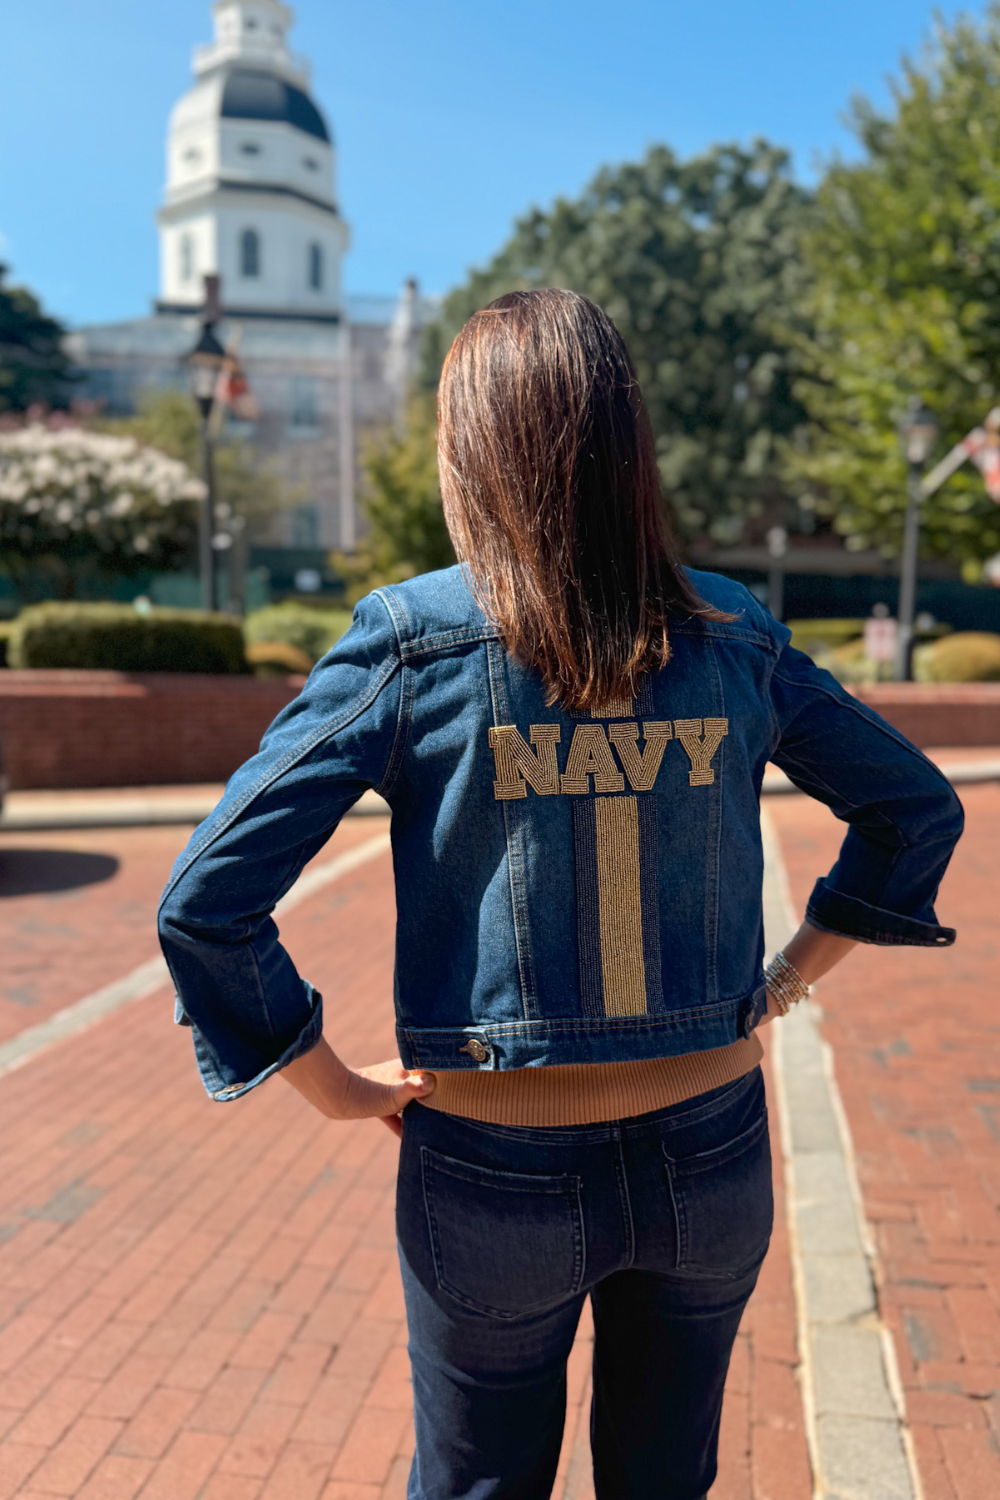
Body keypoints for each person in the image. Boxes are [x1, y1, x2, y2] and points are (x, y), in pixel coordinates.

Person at [158, 289, 963, 1500]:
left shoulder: (411, 640)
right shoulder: (732, 630)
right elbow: (913, 809)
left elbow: (205, 897)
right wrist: (783, 985)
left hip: (491, 1159)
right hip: (712, 1145)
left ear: (468, 449)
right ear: (627, 445)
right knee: (664, 1479)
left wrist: (330, 1086)